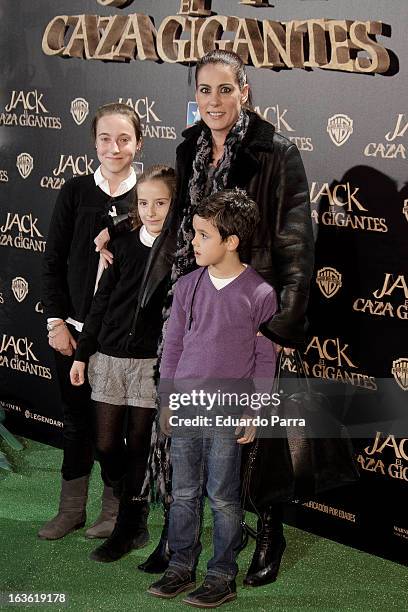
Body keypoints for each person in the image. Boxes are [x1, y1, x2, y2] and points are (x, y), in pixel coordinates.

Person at [138, 49, 315, 587]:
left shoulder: (275, 152)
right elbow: (173, 227)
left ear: (245, 92)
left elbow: (295, 240)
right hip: (190, 299)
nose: (213, 101)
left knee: (254, 439)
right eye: (204, 91)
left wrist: (280, 321)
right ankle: (179, 536)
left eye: (224, 90)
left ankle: (268, 532)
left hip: (248, 305)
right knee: (185, 434)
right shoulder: (190, 145)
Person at [148, 189, 277, 607]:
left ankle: (222, 574)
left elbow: (263, 361)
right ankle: (181, 566)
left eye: (203, 236)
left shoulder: (260, 294)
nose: (193, 243)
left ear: (231, 241)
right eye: (194, 234)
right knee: (183, 492)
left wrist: (254, 411)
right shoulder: (188, 286)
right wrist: (167, 400)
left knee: (222, 495)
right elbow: (173, 347)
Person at [40, 102, 142, 540]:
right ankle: (71, 509)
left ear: (139, 142)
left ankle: (116, 511)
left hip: (122, 342)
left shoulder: (151, 197)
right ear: (94, 142)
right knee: (76, 421)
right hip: (73, 332)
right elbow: (52, 261)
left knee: (113, 432)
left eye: (124, 139)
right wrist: (56, 323)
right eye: (105, 138)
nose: (114, 147)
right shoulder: (76, 191)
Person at [69, 165, 175, 562]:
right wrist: (83, 353)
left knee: (139, 449)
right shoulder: (123, 244)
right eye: (144, 202)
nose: (150, 211)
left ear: (174, 204)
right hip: (109, 358)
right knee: (107, 444)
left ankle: (131, 524)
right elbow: (99, 304)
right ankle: (127, 500)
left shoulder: (181, 253)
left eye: (160, 203)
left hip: (151, 363)